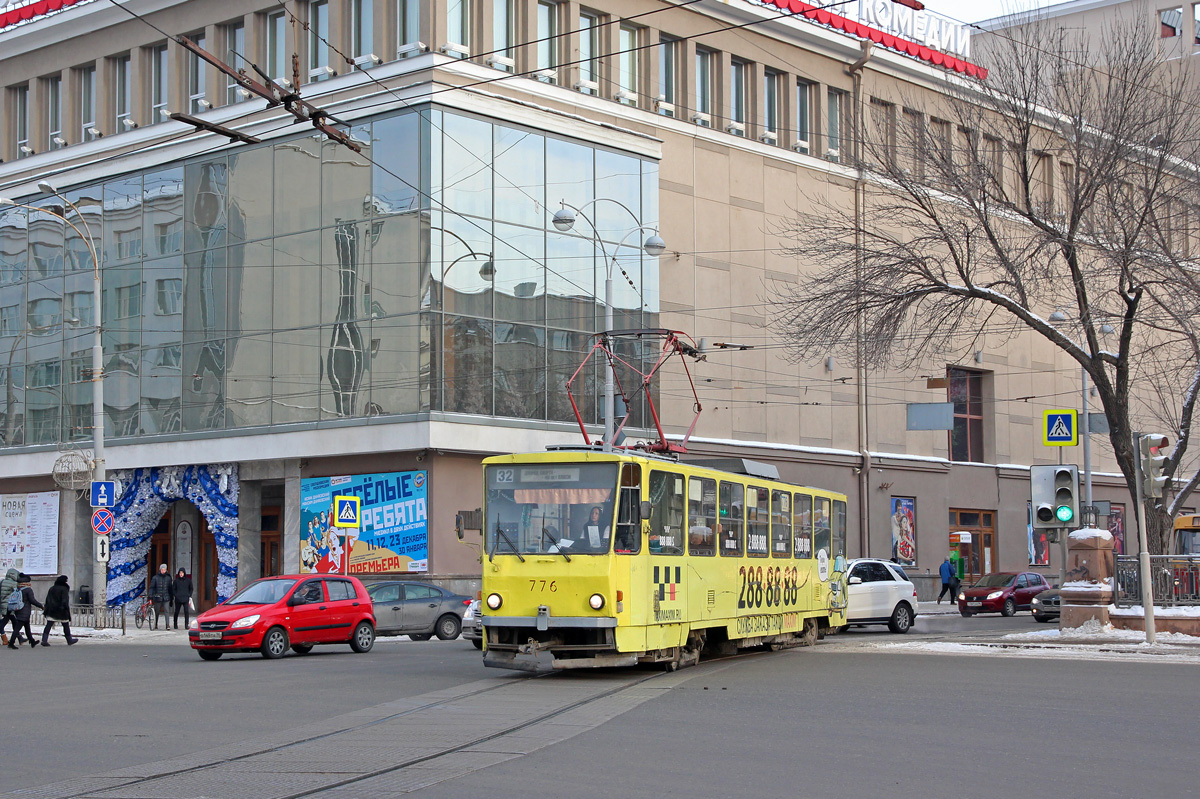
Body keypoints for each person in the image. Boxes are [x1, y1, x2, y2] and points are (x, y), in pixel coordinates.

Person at [6, 573, 43, 649]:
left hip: (18, 609)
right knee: (17, 628)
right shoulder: (28, 590)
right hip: (25, 611)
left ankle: (32, 641)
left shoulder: (18, 588)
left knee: (27, 627)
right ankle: (11, 643)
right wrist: (41, 606)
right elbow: (32, 600)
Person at [41, 575, 78, 646]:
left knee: (48, 625)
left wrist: (47, 608)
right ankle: (69, 640)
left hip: (52, 610)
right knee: (65, 625)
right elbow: (65, 600)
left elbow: (48, 599)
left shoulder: (52, 588)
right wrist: (66, 609)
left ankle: (44, 640)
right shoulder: (64, 589)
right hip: (61, 611)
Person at [1, 566, 26, 646]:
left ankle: (20, 638)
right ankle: (19, 638)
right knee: (4, 622)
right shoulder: (14, 584)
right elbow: (17, 593)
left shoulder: (2, 582)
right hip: (10, 605)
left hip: (3, 604)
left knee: (14, 621)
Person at [148, 564, 173, 630]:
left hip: (166, 597)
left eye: (164, 570)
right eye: (162, 570)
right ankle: (155, 624)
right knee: (157, 611)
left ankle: (167, 625)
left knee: (167, 611)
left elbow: (170, 588)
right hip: (157, 597)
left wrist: (171, 597)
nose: (163, 571)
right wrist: (150, 595)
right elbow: (152, 587)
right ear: (160, 570)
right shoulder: (155, 578)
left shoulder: (168, 578)